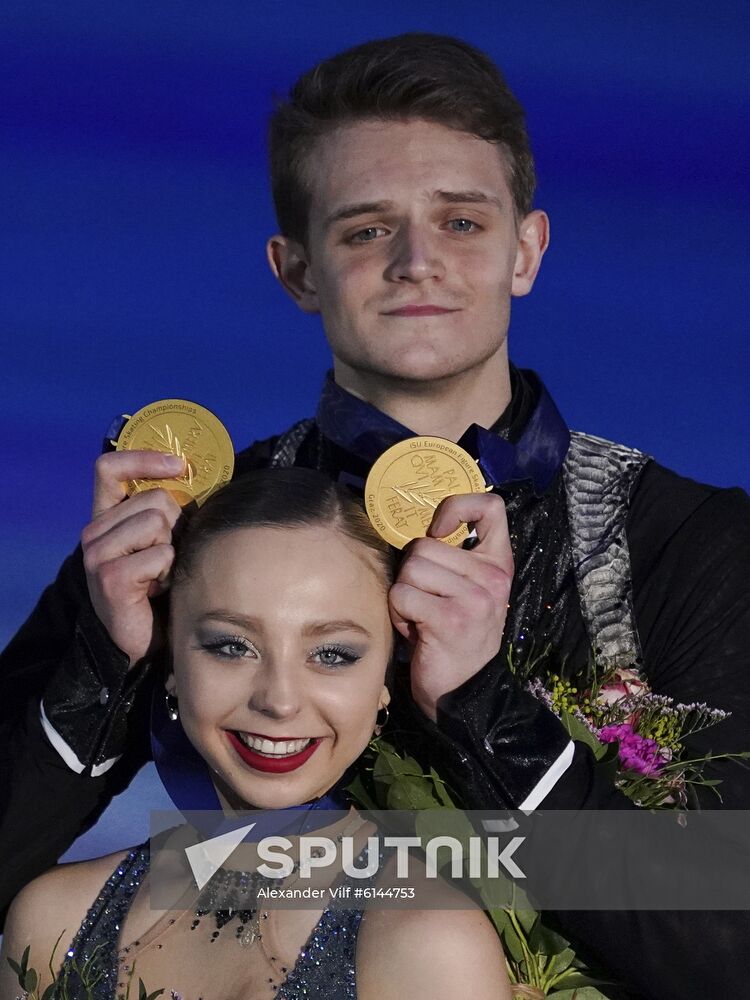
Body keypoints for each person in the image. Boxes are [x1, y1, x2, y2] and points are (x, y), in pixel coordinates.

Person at [1, 31, 749, 999]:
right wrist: (104, 663)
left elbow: (730, 951)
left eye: (462, 223)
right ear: (296, 269)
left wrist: (488, 711)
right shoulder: (193, 529)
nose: (414, 261)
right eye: (363, 229)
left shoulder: (686, 541)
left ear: (527, 249)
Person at [0, 467, 512, 1000]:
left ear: (387, 678)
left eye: (333, 654)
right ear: (169, 657)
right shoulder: (53, 920)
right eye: (231, 646)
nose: (279, 700)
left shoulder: (428, 942)